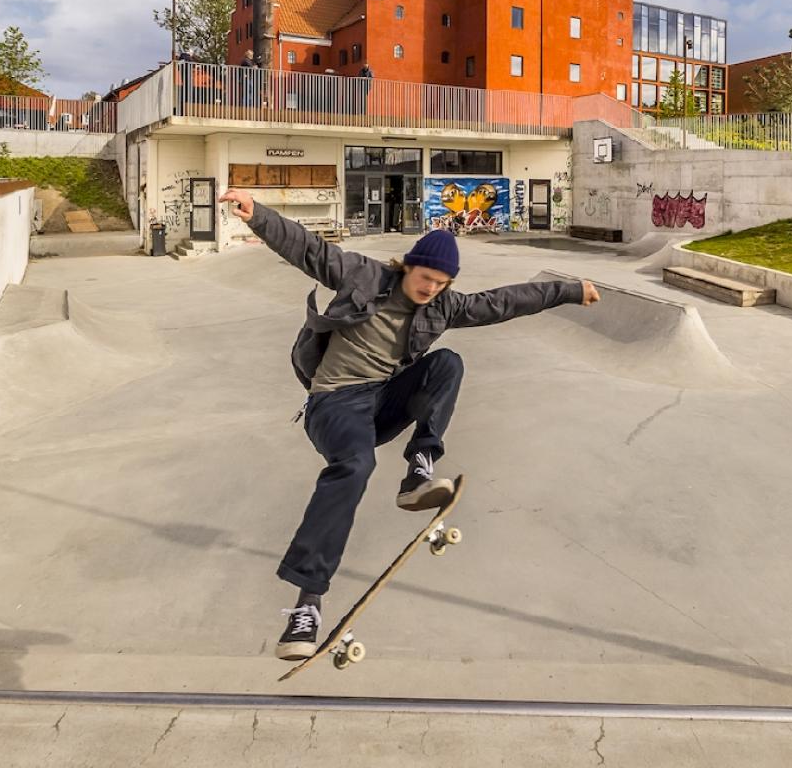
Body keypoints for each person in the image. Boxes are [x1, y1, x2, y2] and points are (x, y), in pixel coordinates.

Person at [219, 187, 600, 661]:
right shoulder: (361, 276)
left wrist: (567, 290)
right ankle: (307, 606)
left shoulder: (443, 306)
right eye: (425, 279)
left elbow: (504, 302)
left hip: (383, 402)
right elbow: (308, 250)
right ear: (408, 266)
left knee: (448, 363)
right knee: (354, 468)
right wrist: (258, 216)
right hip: (334, 404)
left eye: (441, 283)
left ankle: (419, 466)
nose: (431, 290)